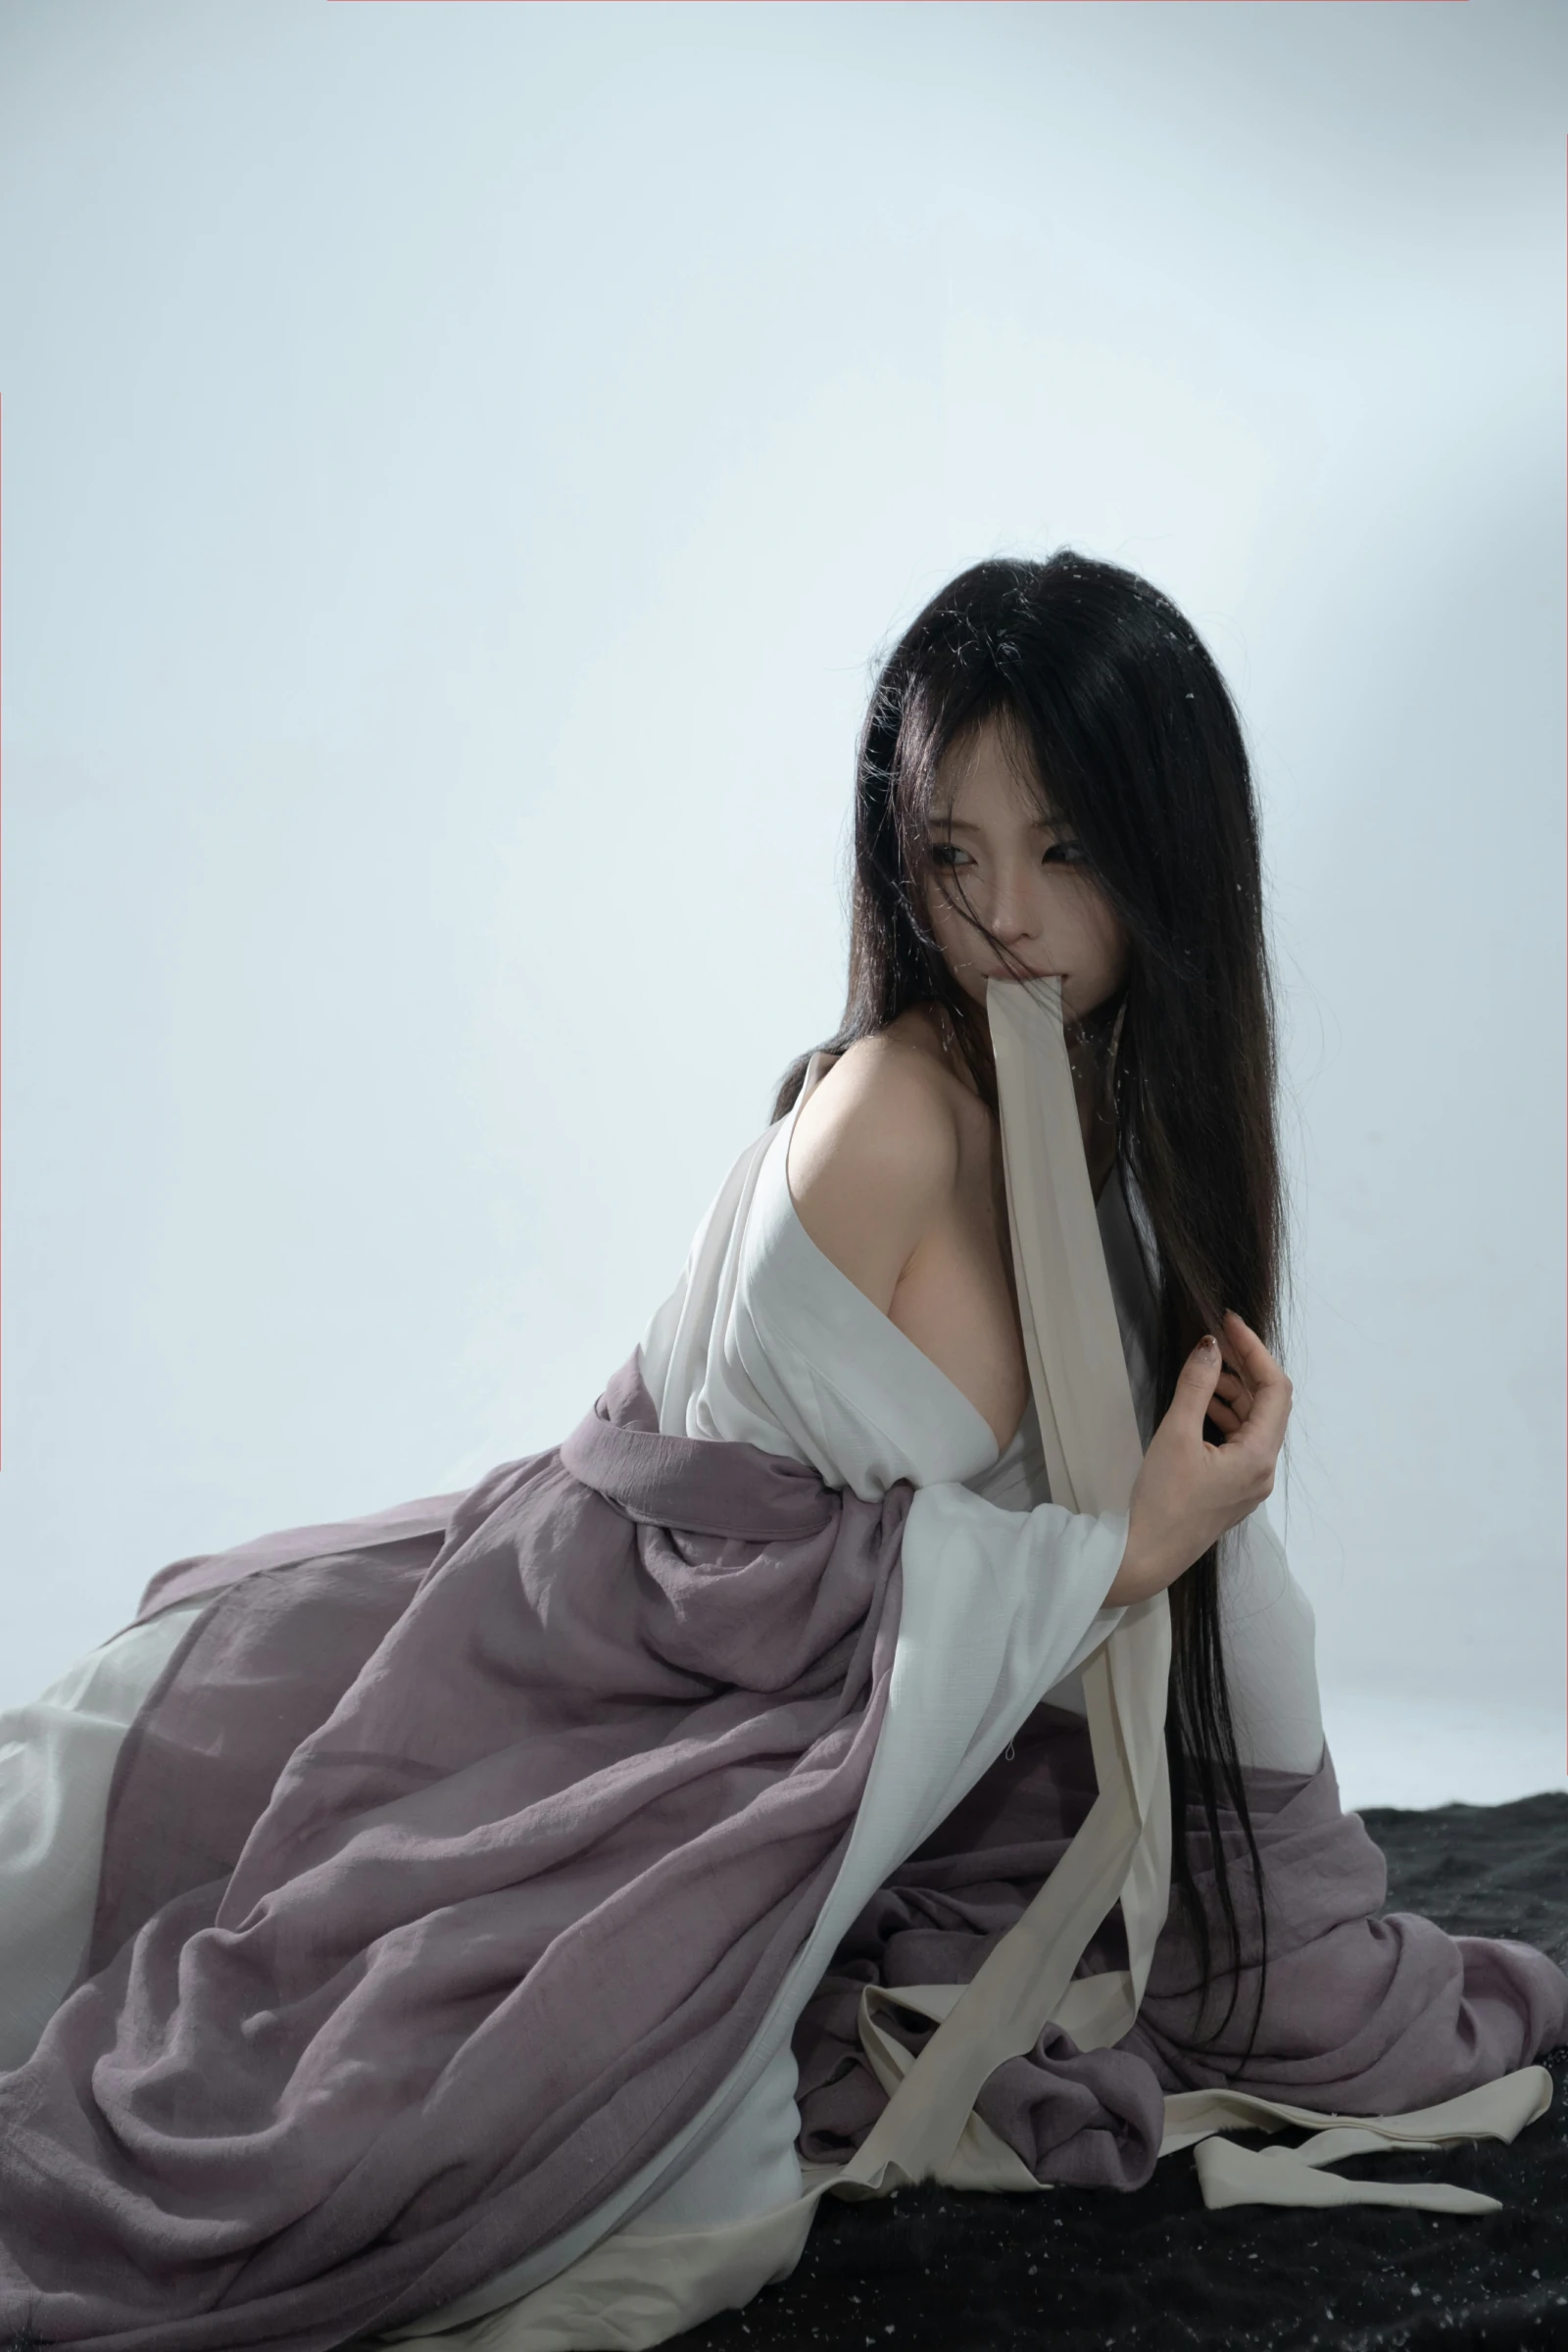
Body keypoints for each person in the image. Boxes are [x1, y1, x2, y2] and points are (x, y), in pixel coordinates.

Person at [0, 555, 1560, 2352]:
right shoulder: (892, 1114)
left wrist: (1212, 1651)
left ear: (1169, 853)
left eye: (1063, 849)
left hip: (792, 1712)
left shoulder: (1093, 1102)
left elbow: (1174, 1587)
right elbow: (704, 1577)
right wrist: (1128, 1549)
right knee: (483, 2137)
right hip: (571, 1690)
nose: (1004, 917)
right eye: (951, 854)